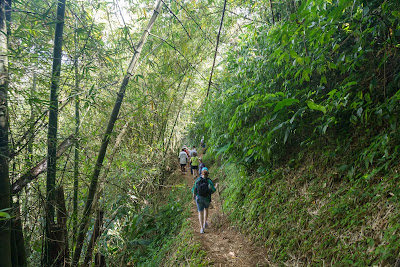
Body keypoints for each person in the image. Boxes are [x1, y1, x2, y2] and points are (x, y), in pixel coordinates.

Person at [192, 168, 217, 234]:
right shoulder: (209, 181)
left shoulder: (198, 180)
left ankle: (201, 228)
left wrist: (194, 196)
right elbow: (213, 190)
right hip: (206, 198)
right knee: (206, 209)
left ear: (201, 173)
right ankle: (205, 223)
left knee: (200, 212)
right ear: (207, 174)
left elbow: (194, 189)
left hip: (199, 198)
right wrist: (216, 186)